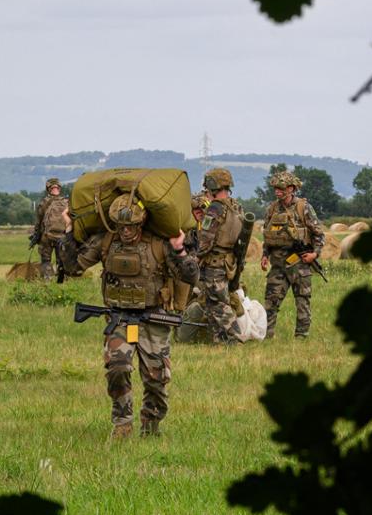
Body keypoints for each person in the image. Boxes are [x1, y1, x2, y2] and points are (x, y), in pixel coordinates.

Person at [58, 195, 198, 438]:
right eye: (121, 226)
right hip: (119, 319)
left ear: (141, 223)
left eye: (131, 226)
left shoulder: (158, 244)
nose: (126, 231)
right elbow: (73, 267)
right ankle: (122, 423)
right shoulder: (106, 242)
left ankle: (151, 426)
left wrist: (180, 250)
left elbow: (190, 276)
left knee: (157, 379)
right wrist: (68, 230)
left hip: (154, 318)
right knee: (118, 369)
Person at [260, 171, 325, 339]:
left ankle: (301, 336)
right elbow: (267, 235)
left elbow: (319, 234)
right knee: (270, 301)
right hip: (278, 264)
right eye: (275, 188)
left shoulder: (304, 207)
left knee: (302, 301)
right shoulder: (272, 208)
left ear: (291, 188)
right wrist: (264, 255)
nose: (277, 192)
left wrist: (314, 255)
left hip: (300, 262)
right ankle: (267, 335)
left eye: (280, 188)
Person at [194, 168, 244, 344]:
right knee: (212, 302)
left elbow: (206, 238)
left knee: (218, 304)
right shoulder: (236, 206)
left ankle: (236, 337)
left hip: (214, 262)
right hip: (228, 261)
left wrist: (197, 257)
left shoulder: (214, 209)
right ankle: (220, 340)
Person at [30, 178, 68, 280]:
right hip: (63, 236)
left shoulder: (44, 203)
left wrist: (36, 236)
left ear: (48, 189)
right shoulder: (66, 202)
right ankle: (61, 281)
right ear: (59, 188)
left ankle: (47, 279)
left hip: (47, 237)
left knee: (46, 260)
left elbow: (38, 222)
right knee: (61, 260)